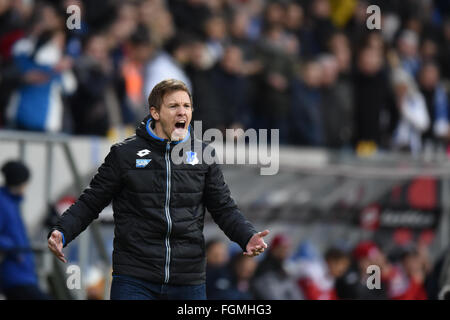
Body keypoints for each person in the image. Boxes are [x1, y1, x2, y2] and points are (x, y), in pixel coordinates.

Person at [47, 78, 269, 300]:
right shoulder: (125, 155)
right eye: (173, 106)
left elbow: (223, 208)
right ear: (155, 112)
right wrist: (63, 230)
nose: (182, 112)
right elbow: (91, 201)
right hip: (135, 278)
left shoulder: (204, 155)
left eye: (187, 106)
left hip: (187, 279)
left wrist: (247, 236)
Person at [0, 160, 51, 300]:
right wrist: (15, 250)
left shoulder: (12, 202)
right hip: (14, 274)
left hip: (22, 274)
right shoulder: (4, 203)